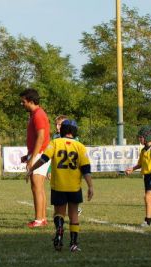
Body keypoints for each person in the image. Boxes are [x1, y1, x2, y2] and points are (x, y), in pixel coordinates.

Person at [27, 119, 93, 252]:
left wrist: (32, 169)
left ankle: (59, 232)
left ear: (62, 130)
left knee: (59, 213)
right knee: (74, 214)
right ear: (74, 131)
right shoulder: (80, 146)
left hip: (58, 186)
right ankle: (73, 244)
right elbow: (86, 168)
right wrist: (90, 186)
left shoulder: (55, 143)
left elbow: (43, 159)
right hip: (74, 187)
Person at [20, 88, 51, 228]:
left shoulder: (38, 114)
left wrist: (32, 158)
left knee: (36, 187)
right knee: (39, 187)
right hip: (38, 153)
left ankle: (39, 219)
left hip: (39, 154)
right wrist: (28, 155)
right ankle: (42, 218)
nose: (22, 104)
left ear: (31, 101)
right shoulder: (35, 114)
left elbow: (41, 137)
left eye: (23, 102)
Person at [124, 126, 151, 227]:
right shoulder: (143, 150)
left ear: (147, 137)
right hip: (147, 177)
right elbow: (140, 164)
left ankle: (148, 221)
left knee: (147, 197)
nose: (140, 139)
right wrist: (132, 169)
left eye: (141, 137)